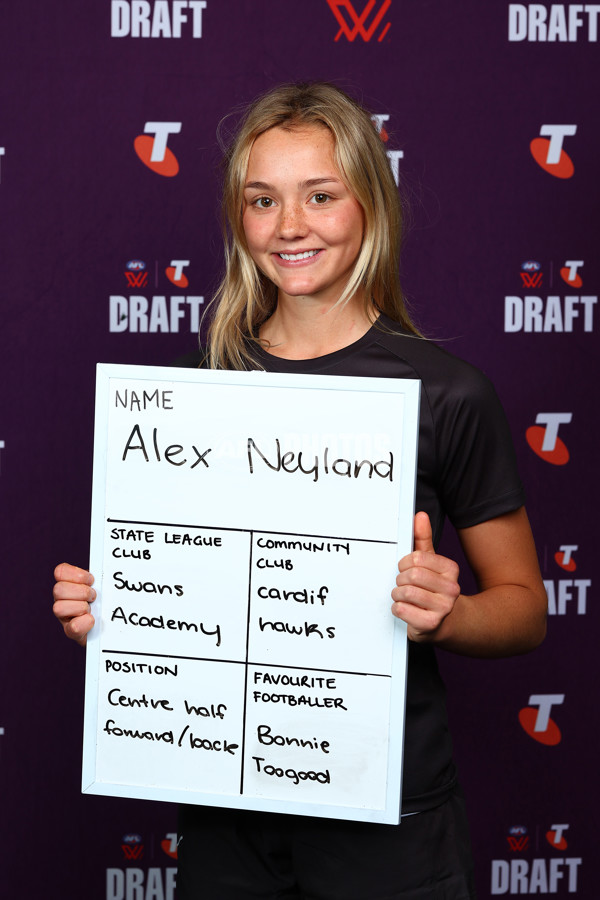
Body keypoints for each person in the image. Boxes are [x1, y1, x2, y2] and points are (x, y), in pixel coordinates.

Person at [53, 82, 547, 899]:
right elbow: (177, 593)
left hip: (392, 823)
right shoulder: (190, 394)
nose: (289, 226)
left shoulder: (450, 394)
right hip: (228, 821)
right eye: (262, 200)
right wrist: (112, 617)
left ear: (370, 206)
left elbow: (526, 606)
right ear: (238, 218)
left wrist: (448, 613)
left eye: (319, 195)